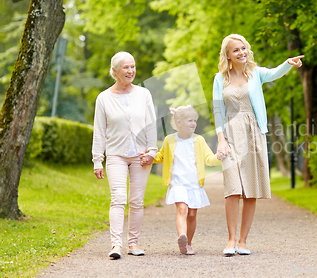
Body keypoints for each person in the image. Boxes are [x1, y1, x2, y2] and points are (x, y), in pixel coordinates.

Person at [212, 34, 304, 256]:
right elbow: (217, 110)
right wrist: (221, 139)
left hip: (253, 134)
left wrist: (288, 63)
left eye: (243, 48)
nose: (241, 52)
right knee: (232, 189)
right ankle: (231, 239)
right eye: (236, 50)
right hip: (231, 136)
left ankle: (243, 241)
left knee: (249, 189)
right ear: (228, 55)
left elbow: (274, 74)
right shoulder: (219, 79)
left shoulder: (255, 74)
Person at [92, 51, 157, 259]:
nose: (131, 71)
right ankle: (115, 246)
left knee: (137, 200)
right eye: (126, 67)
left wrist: (152, 151)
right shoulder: (103, 98)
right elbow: (99, 131)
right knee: (118, 198)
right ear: (114, 71)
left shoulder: (143, 94)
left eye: (132, 66)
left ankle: (133, 243)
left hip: (141, 155)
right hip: (116, 156)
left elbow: (151, 124)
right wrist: (97, 160)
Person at [144, 105, 222, 255]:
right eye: (190, 121)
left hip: (194, 184)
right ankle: (182, 237)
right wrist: (149, 157)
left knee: (192, 215)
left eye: (195, 121)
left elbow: (209, 159)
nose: (194, 124)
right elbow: (161, 156)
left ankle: (188, 244)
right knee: (182, 209)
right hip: (178, 183)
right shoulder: (169, 140)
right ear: (179, 122)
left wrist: (218, 157)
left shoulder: (198, 140)